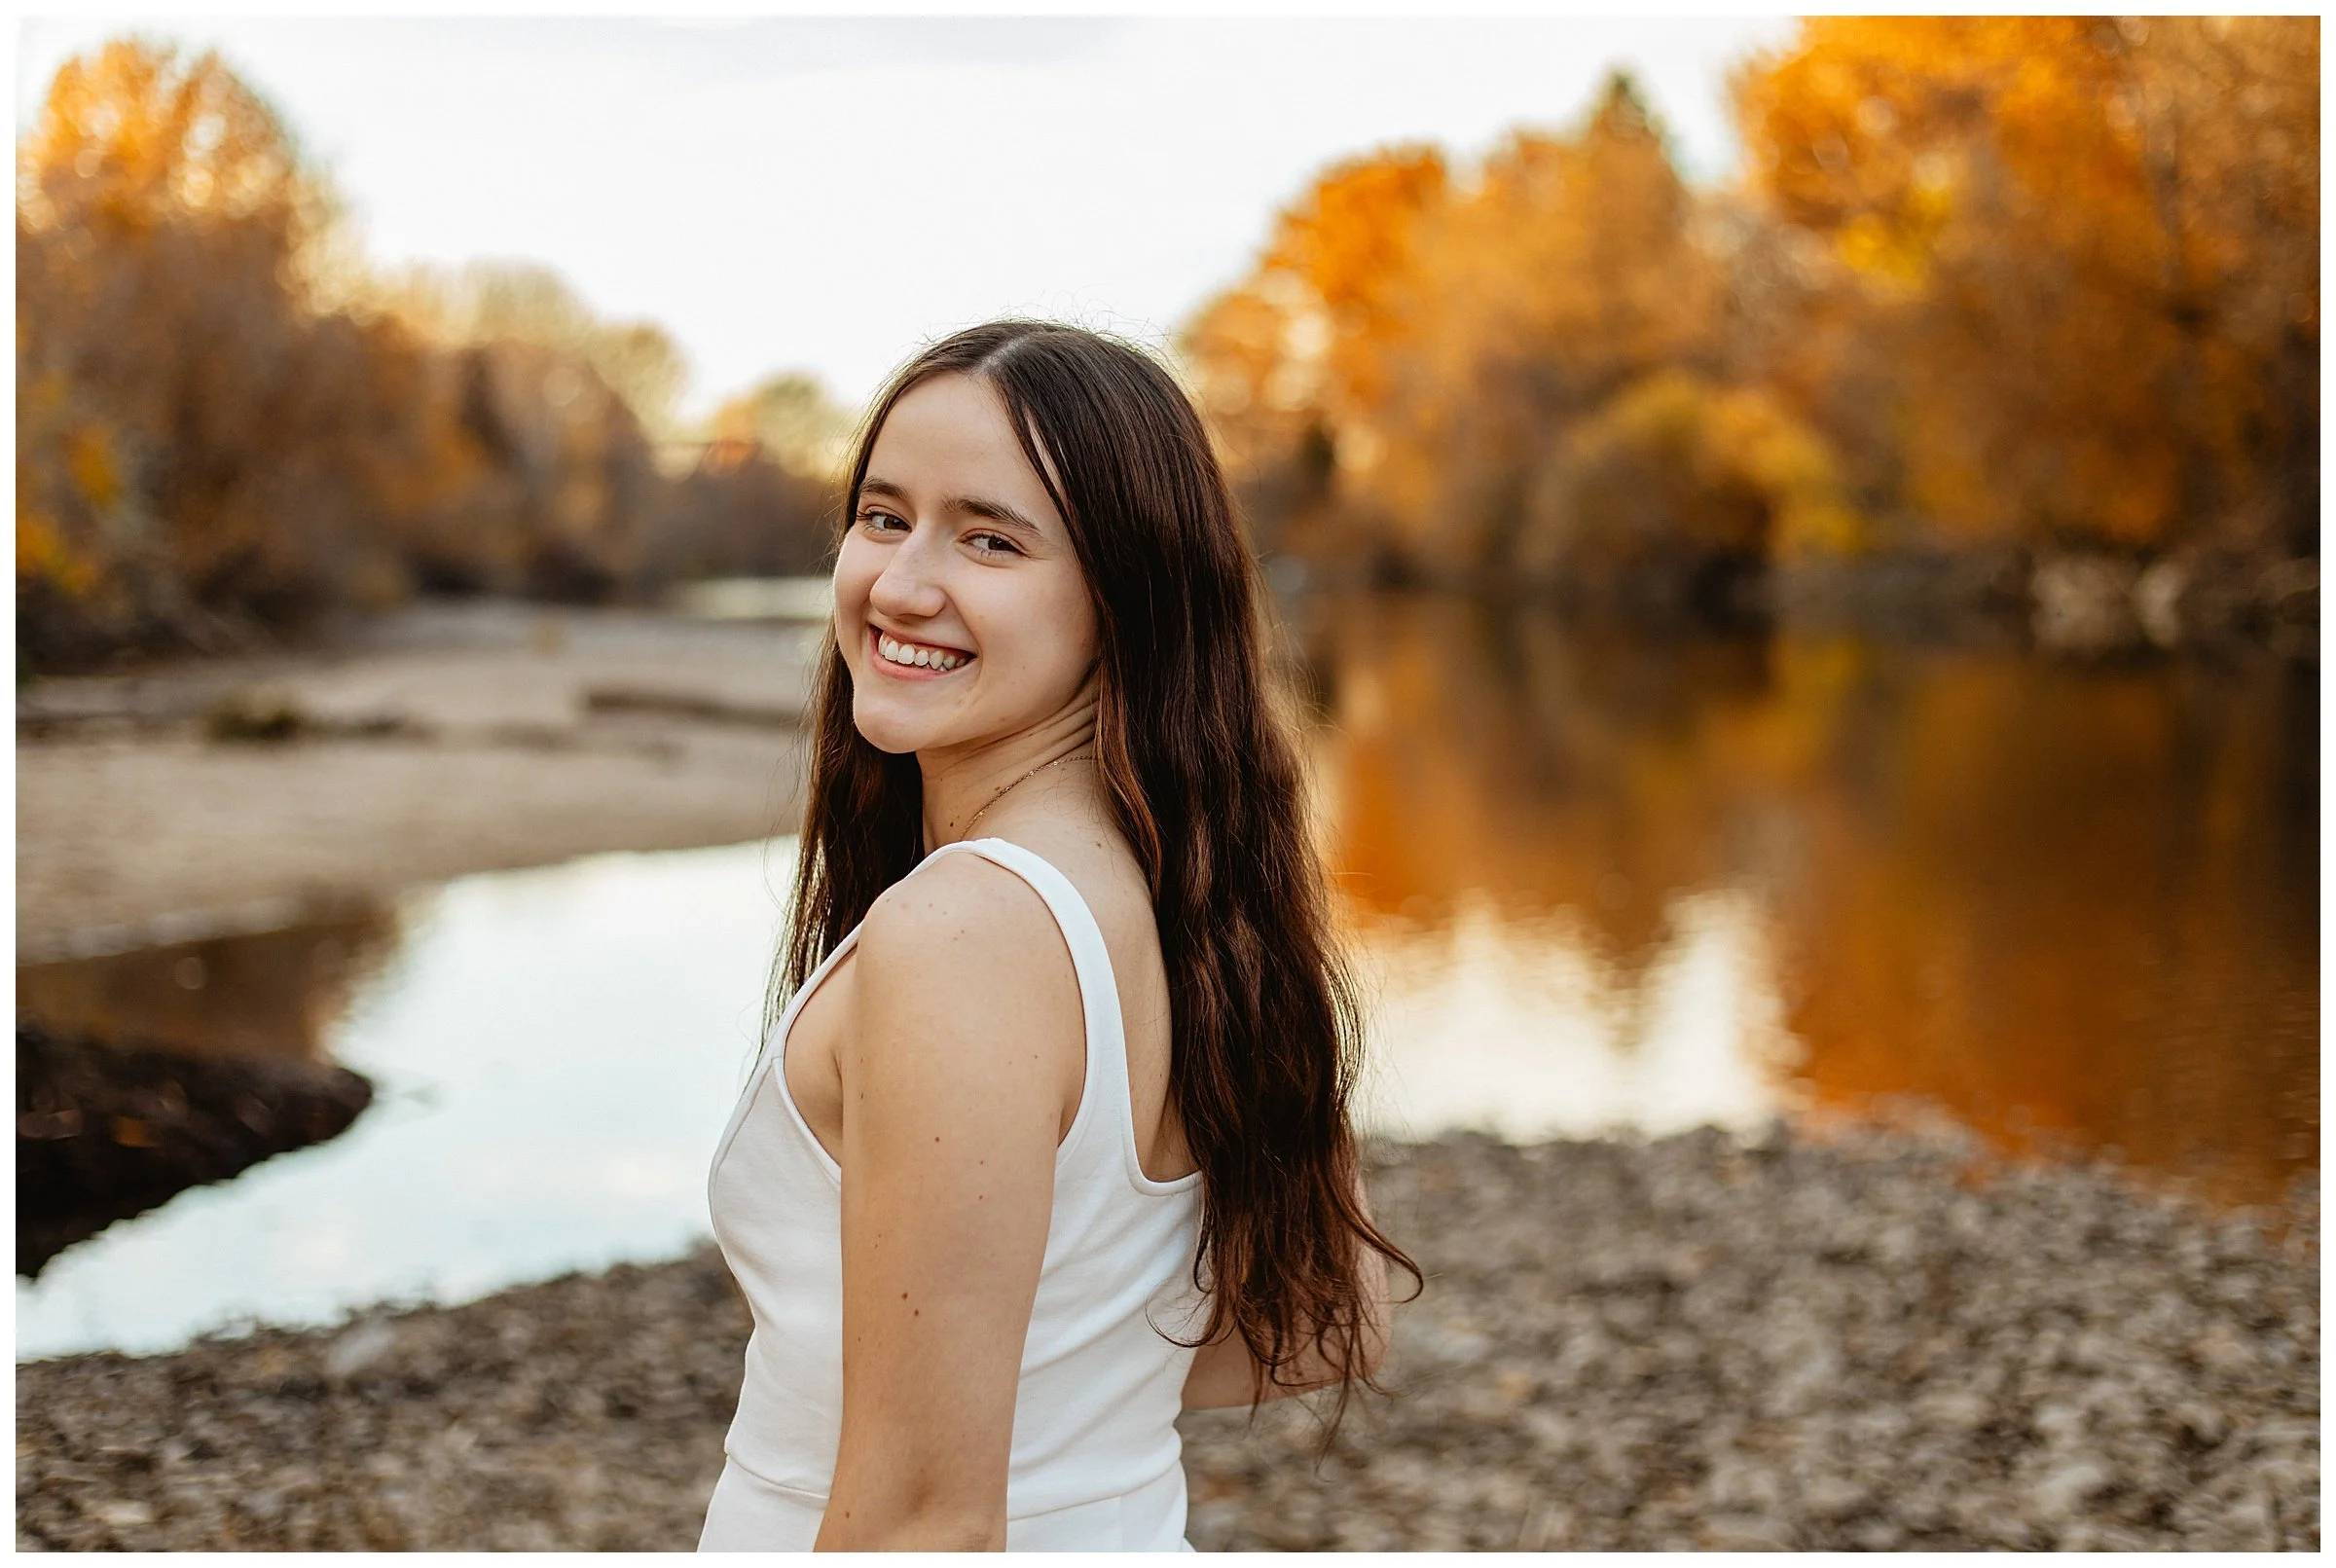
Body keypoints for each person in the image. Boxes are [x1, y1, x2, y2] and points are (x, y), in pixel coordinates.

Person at [698, 319, 1419, 1551]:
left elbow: (925, 1528)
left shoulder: (965, 936)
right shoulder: (1190, 884)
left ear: (1123, 600)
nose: (901, 584)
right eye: (882, 516)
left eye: (990, 539)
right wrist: (1069, 1402)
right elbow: (1320, 1327)